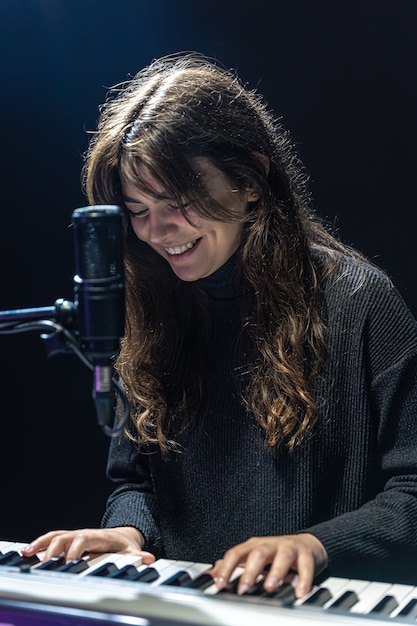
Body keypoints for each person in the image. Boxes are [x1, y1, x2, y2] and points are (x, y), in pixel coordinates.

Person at [23, 52, 417, 598]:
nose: (159, 231)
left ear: (251, 180)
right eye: (138, 211)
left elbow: (413, 491)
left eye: (179, 201)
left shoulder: (360, 301)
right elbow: (135, 481)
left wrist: (316, 544)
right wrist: (128, 530)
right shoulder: (147, 315)